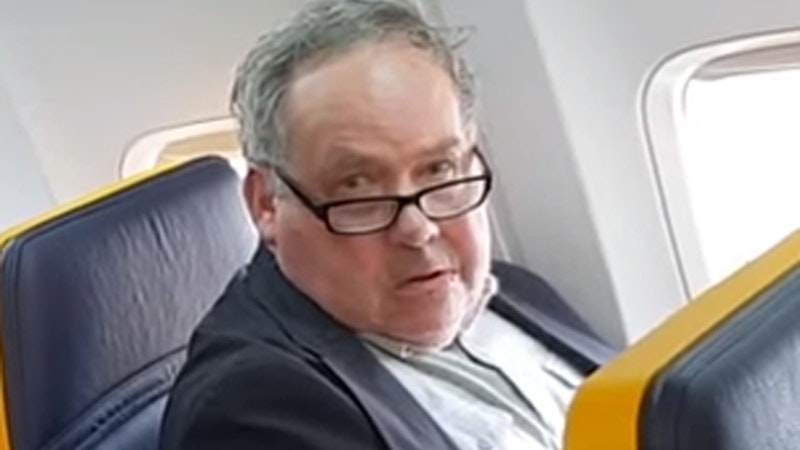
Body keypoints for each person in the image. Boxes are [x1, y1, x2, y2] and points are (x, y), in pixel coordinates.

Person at [159, 1, 615, 449]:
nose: (419, 229)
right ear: (267, 205)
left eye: (438, 169)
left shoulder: (515, 292)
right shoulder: (252, 412)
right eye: (357, 186)